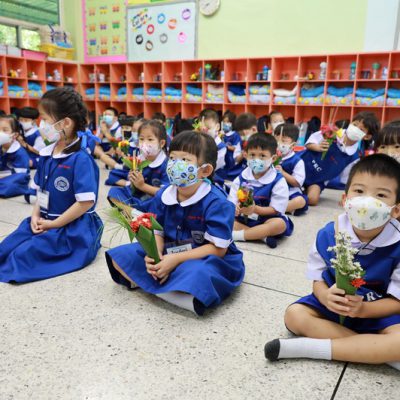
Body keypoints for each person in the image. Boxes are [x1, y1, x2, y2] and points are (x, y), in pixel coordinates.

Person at [265, 154, 400, 371]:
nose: (367, 202)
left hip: (377, 311)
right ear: (345, 200)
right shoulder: (328, 234)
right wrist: (325, 297)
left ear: (396, 210)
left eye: (381, 195)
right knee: (294, 315)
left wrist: (364, 310)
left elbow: (396, 302)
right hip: (333, 304)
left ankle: (310, 348)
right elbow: (317, 280)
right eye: (359, 191)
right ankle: (377, 351)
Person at [105, 131, 245, 315]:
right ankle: (175, 295)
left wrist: (175, 260)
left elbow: (218, 249)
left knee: (199, 274)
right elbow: (157, 229)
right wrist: (156, 255)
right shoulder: (165, 193)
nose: (175, 165)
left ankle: (156, 289)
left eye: (185, 160)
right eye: (172, 158)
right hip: (169, 250)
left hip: (202, 256)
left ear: (205, 170)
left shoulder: (217, 202)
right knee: (120, 257)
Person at [0, 87, 103, 282]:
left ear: (65, 123)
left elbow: (85, 203)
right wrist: (35, 215)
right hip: (46, 219)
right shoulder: (47, 153)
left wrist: (55, 224)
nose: (41, 124)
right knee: (5, 249)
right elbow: (41, 191)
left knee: (21, 258)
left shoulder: (81, 159)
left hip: (72, 228)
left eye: (45, 119)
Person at [301, 112, 379, 206]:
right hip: (302, 167)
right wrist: (317, 147)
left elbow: (346, 180)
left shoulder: (354, 157)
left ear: (367, 136)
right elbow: (308, 143)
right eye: (354, 124)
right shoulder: (331, 132)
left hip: (317, 181)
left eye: (361, 129)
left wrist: (348, 198)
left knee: (312, 199)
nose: (355, 129)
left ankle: (298, 195)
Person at [229, 133, 293, 249]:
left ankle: (238, 235)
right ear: (246, 155)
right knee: (225, 217)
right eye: (252, 155)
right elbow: (231, 201)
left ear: (273, 158)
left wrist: (255, 209)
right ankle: (262, 237)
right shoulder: (241, 178)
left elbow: (275, 210)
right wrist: (235, 208)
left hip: (265, 220)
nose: (256, 160)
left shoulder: (278, 181)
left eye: (262, 156)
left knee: (279, 224)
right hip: (243, 219)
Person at [108, 120, 169, 208]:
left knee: (161, 203)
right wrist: (132, 179)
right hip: (138, 196)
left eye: (150, 139)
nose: (144, 143)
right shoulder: (139, 158)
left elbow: (165, 192)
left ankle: (134, 212)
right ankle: (134, 212)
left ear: (161, 143)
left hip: (153, 199)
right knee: (114, 192)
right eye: (141, 139)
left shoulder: (166, 164)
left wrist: (142, 186)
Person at [273, 123, 308, 215]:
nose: (278, 144)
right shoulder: (269, 156)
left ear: (293, 145)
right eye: (276, 140)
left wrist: (283, 173)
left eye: (283, 141)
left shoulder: (297, 161)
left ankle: (276, 209)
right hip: (273, 191)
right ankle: (277, 208)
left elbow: (297, 183)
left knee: (300, 201)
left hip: (290, 192)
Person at [0, 115, 30, 198]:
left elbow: (20, 173)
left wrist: (2, 175)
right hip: (2, 176)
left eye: (5, 130)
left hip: (16, 177)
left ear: (15, 135)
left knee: (9, 184)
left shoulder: (20, 153)